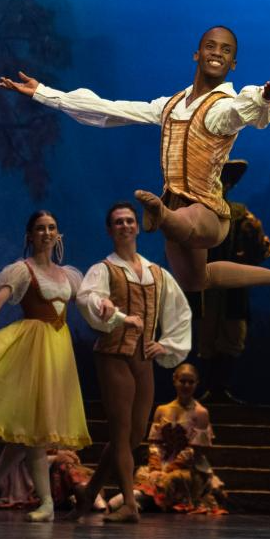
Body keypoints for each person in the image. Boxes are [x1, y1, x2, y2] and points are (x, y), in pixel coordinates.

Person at [0, 26, 270, 295]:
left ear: (233, 64)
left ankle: (161, 215)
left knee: (184, 219)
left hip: (208, 214)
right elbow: (111, 109)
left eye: (226, 50)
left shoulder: (223, 107)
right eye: (211, 46)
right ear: (197, 54)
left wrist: (264, 97)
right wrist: (42, 92)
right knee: (196, 281)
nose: (217, 53)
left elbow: (243, 112)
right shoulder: (169, 106)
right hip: (176, 205)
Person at [0, 210, 90, 522]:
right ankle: (46, 504)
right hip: (33, 349)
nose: (46, 233)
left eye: (51, 227)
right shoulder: (22, 271)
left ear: (58, 234)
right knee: (35, 431)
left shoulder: (69, 275)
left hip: (58, 353)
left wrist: (116, 317)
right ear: (30, 235)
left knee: (26, 434)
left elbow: (90, 305)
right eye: (40, 228)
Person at [73, 202, 192, 522]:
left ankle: (90, 492)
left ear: (137, 227)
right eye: (118, 222)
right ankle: (128, 503)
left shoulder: (157, 273)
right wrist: (113, 313)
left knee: (134, 434)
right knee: (121, 429)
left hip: (143, 358)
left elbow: (180, 311)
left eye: (129, 221)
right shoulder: (104, 269)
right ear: (109, 230)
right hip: (113, 354)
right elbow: (88, 298)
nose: (125, 226)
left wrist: (165, 344)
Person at [192, 159, 270, 403]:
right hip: (206, 284)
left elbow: (262, 248)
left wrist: (250, 252)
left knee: (233, 333)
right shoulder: (196, 214)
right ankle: (209, 387)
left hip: (233, 285)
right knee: (206, 334)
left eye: (224, 181)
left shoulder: (241, 214)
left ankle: (221, 387)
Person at [110, 363, 227, 515]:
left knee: (173, 479)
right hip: (163, 460)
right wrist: (156, 466)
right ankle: (137, 501)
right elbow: (155, 443)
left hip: (189, 466)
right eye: (182, 381)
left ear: (197, 383)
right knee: (147, 475)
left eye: (191, 382)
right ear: (174, 380)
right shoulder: (162, 410)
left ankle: (131, 500)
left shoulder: (201, 413)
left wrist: (170, 468)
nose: (186, 386)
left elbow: (194, 450)